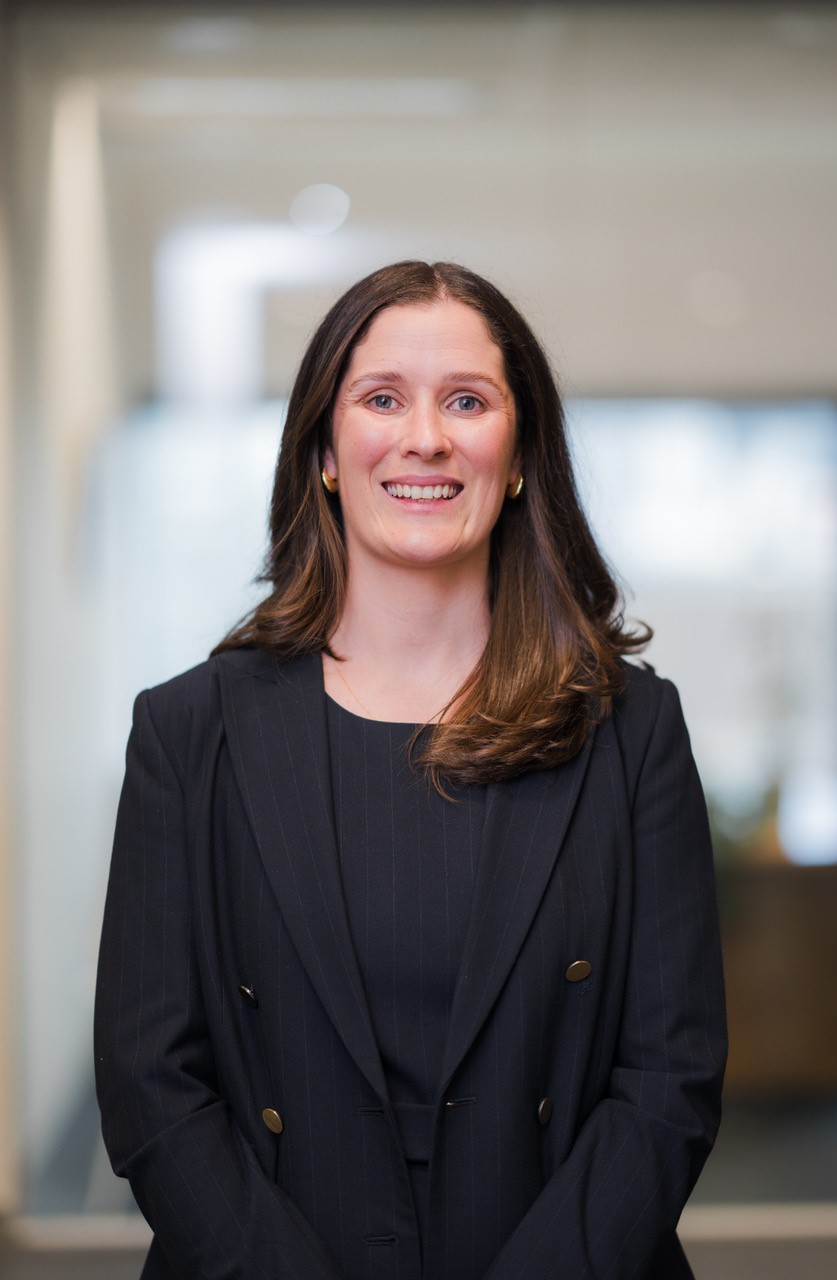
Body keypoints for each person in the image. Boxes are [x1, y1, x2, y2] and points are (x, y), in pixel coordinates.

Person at [94, 260, 726, 1280]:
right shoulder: (187, 729)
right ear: (326, 451)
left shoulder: (631, 728)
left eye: (466, 400)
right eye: (381, 397)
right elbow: (149, 1081)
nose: (424, 436)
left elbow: (669, 1078)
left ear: (519, 454)